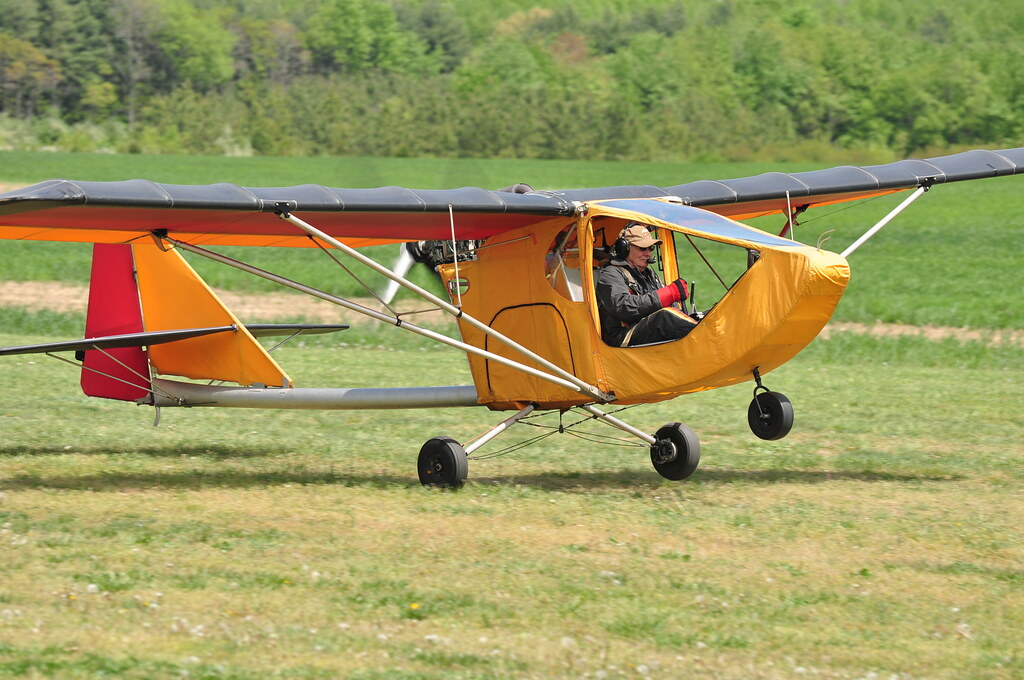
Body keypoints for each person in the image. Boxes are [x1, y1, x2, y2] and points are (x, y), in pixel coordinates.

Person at [596, 223, 697, 347]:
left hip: (645, 329)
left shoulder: (648, 273)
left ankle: (703, 331)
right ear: (624, 248)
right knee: (665, 318)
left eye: (651, 248)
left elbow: (670, 307)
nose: (648, 253)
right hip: (621, 337)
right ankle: (704, 337)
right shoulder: (610, 273)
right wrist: (669, 293)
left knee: (702, 317)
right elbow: (623, 307)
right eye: (643, 248)